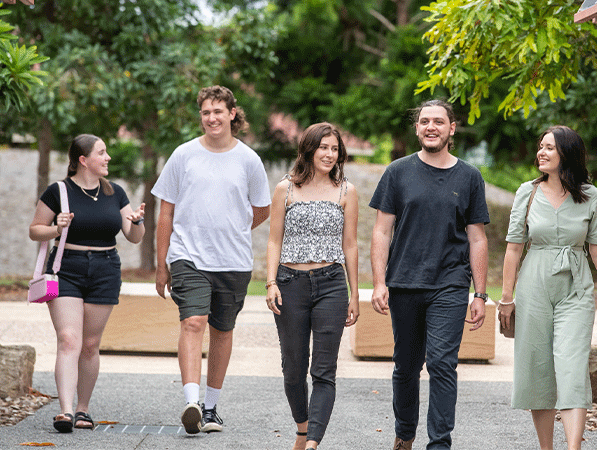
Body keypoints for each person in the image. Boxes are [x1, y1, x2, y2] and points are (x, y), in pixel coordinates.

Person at [369, 99, 489, 450]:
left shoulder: (469, 177)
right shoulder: (397, 172)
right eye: (424, 121)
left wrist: (479, 294)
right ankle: (405, 433)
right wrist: (379, 282)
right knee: (406, 367)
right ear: (417, 128)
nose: (431, 127)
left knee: (442, 364)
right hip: (404, 282)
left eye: (439, 121)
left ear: (452, 129)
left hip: (449, 284)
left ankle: (439, 443)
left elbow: (477, 237)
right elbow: (381, 231)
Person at [151, 85, 271, 434]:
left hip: (234, 260)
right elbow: (165, 213)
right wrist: (162, 265)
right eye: (205, 112)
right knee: (193, 322)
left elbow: (262, 209)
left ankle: (212, 407)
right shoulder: (183, 155)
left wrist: (233, 227)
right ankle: (191, 400)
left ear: (233, 114)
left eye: (218, 111)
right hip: (189, 256)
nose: (211, 118)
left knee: (222, 329)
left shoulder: (249, 159)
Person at [499, 125, 597, 450]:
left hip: (576, 287)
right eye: (540, 146)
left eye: (549, 148)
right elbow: (514, 249)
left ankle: (573, 448)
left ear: (566, 154)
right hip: (533, 286)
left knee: (572, 367)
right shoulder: (526, 193)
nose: (541, 152)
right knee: (538, 369)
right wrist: (505, 298)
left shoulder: (591, 196)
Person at [28, 134, 145, 433]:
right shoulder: (59, 192)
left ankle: (83, 409)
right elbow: (35, 230)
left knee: (90, 345)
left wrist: (138, 221)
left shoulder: (115, 192)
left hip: (106, 269)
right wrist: (56, 227)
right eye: (101, 153)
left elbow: (132, 236)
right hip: (67, 267)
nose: (107, 158)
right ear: (83, 160)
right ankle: (65, 411)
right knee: (69, 339)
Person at [265, 122, 360, 450]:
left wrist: (354, 294)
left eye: (335, 149)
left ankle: (312, 443)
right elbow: (274, 239)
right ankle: (303, 429)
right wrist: (270, 282)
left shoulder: (347, 191)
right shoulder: (285, 189)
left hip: (332, 284)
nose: (329, 154)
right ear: (309, 149)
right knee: (293, 368)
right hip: (290, 284)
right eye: (323, 147)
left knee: (324, 370)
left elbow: (350, 244)